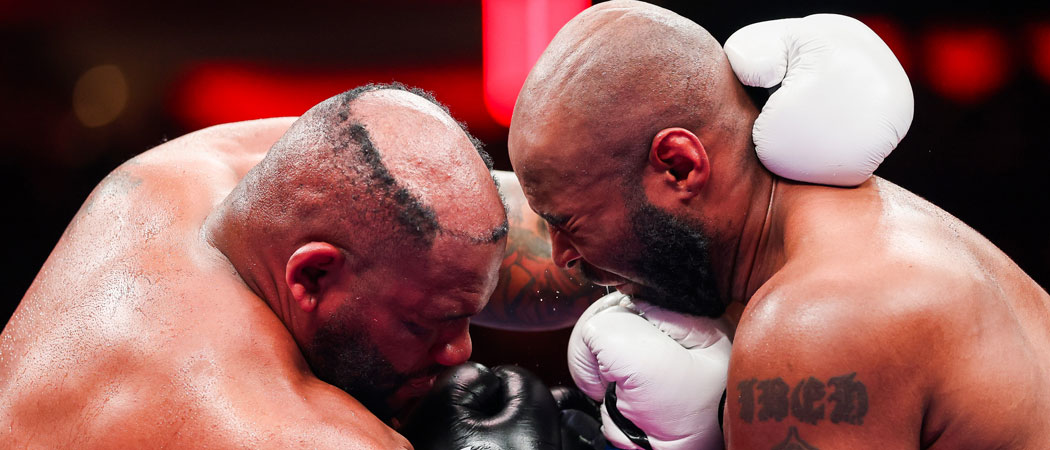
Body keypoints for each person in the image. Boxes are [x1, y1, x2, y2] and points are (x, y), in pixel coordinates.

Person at [507, 1, 1050, 449]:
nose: (561, 256)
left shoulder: (812, 326)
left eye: (567, 223)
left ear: (679, 166)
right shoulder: (875, 228)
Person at [0, 83, 510, 448]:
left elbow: (474, 214)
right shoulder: (280, 431)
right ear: (311, 276)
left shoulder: (179, 173)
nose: (460, 351)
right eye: (424, 323)